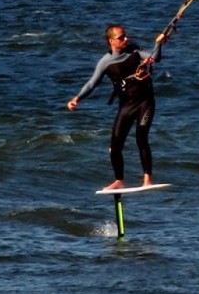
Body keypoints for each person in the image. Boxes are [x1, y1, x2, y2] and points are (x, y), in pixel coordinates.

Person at [67, 24, 166, 190]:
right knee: (115, 145)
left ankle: (147, 179)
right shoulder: (105, 62)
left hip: (145, 102)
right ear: (111, 41)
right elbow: (92, 83)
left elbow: (155, 58)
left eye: (125, 36)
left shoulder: (134, 51)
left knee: (141, 137)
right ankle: (119, 180)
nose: (126, 39)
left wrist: (159, 44)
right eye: (121, 37)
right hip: (126, 106)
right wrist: (77, 98)